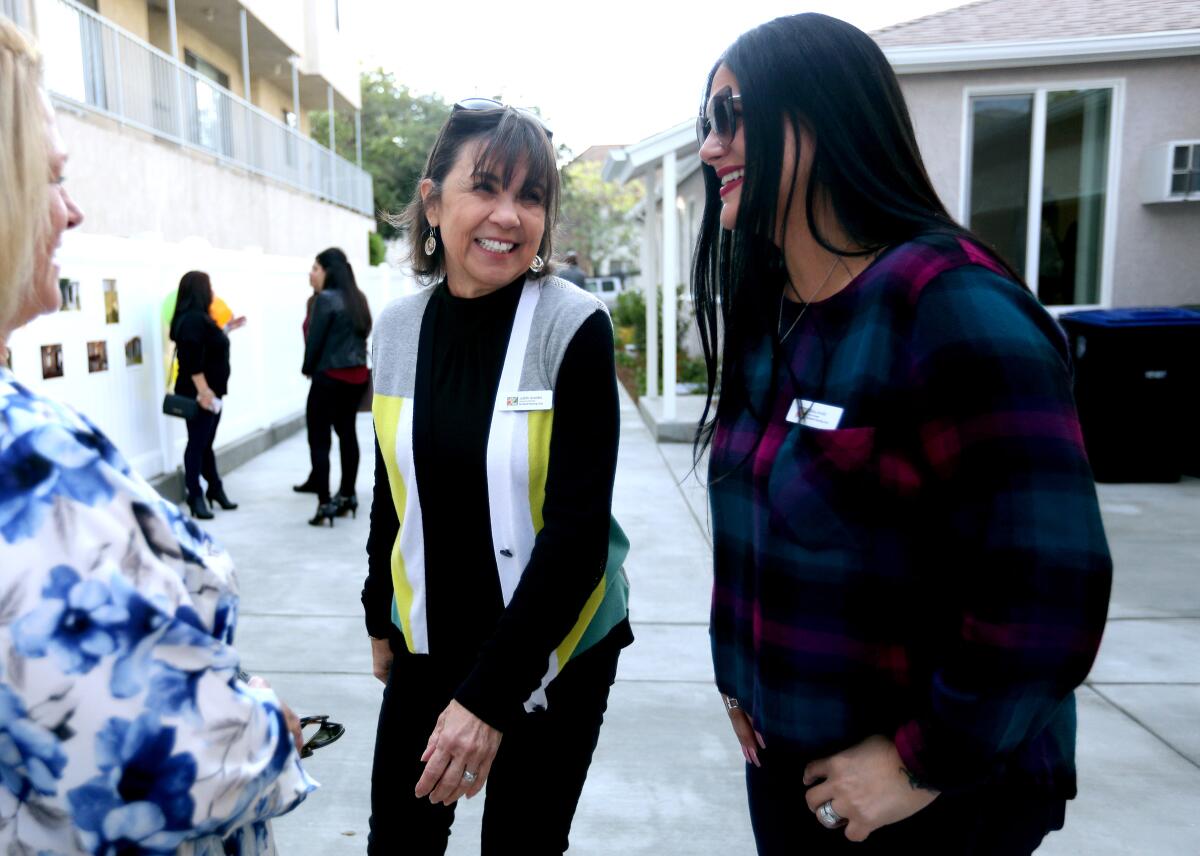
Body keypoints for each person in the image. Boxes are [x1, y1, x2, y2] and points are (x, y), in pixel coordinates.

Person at [691, 14, 1112, 855]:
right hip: (799, 775)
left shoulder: (949, 305)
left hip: (931, 800)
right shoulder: (772, 315)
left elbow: (1048, 589)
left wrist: (921, 766)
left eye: (732, 113)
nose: (711, 147)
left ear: (825, 114)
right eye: (708, 122)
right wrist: (746, 685)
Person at [0, 19, 314, 853]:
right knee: (200, 457)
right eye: (51, 177)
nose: (73, 210)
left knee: (199, 463)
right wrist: (267, 727)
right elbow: (169, 759)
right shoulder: (26, 462)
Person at [362, 100, 631, 855]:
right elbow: (394, 485)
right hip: (434, 638)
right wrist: (380, 612)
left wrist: (486, 700)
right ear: (432, 200)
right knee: (400, 839)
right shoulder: (398, 328)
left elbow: (577, 537)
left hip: (557, 643)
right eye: (486, 187)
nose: (509, 216)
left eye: (532, 196)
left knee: (521, 844)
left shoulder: (571, 327)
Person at [298, 247, 372, 527]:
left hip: (329, 376)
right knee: (347, 434)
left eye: (316, 267)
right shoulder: (358, 298)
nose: (313, 272)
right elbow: (364, 333)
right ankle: (348, 496)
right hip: (356, 377)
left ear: (328, 270)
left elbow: (315, 341)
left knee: (319, 439)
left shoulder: (325, 300)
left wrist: (308, 369)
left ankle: (325, 502)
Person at [170, 270, 237, 520]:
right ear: (199, 290)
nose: (212, 293)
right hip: (201, 394)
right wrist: (204, 391)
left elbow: (207, 346)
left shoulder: (198, 318)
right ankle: (195, 494)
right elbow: (190, 360)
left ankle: (215, 489)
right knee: (197, 444)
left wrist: (227, 329)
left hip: (210, 393)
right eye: (209, 288)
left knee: (205, 442)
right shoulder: (192, 320)